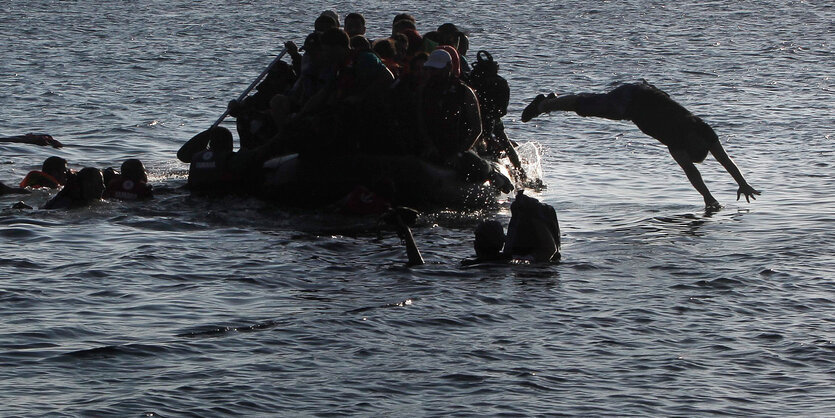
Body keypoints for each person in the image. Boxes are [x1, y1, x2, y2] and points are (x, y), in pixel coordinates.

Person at [521, 81, 760, 208]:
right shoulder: (690, 134)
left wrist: (741, 184)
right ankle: (545, 104)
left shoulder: (691, 136)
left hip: (640, 98)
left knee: (589, 104)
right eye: (698, 148)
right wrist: (711, 196)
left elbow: (707, 165)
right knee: (588, 104)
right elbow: (701, 168)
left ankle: (550, 103)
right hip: (632, 100)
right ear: (695, 145)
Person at [462, 191, 560, 266]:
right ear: (502, 243)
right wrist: (533, 214)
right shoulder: (514, 261)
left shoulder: (467, 263)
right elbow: (549, 250)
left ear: (475, 245)